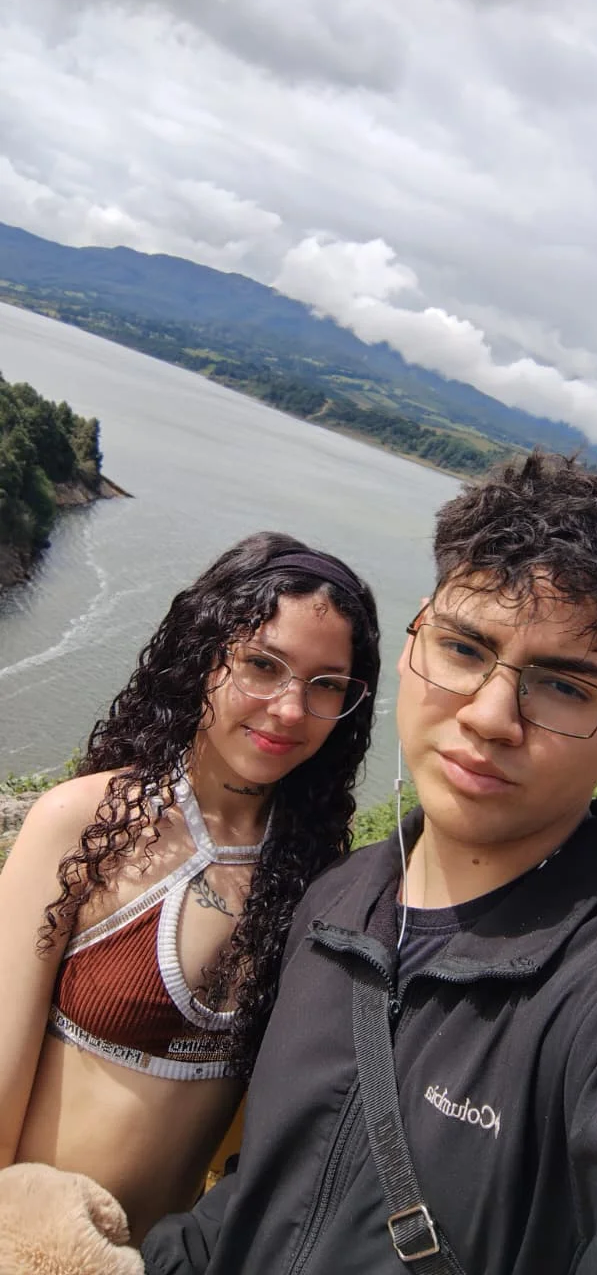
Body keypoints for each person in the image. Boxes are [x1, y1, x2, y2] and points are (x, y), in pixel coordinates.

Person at [4, 452, 597, 1275]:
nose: (491, 717)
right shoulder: (333, 907)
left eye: (565, 686)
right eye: (466, 648)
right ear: (418, 640)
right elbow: (256, 1200)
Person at [0, 531, 380, 1244]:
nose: (289, 709)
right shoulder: (86, 824)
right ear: (202, 655)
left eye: (326, 684)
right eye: (262, 665)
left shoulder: (317, 872)